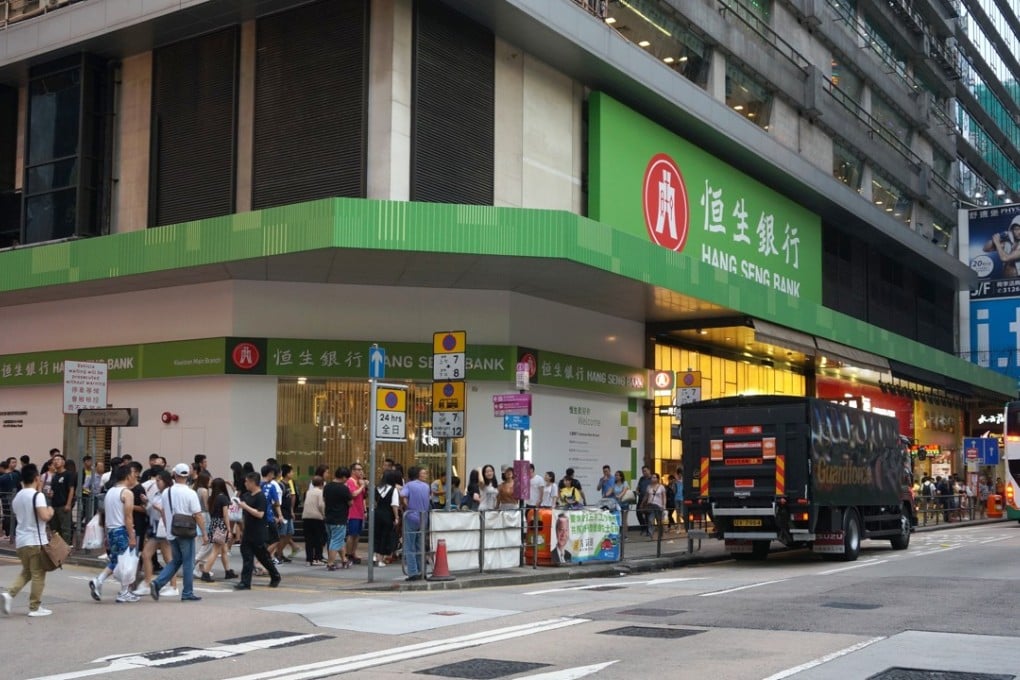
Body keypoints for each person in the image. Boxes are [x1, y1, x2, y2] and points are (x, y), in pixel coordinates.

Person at [2, 464, 54, 617]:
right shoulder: (38, 496)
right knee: (38, 573)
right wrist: (50, 511)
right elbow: (44, 516)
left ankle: (9, 594)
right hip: (35, 540)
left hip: (21, 541)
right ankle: (35, 607)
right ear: (37, 478)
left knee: (27, 572)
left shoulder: (18, 497)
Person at [150, 463, 207, 602]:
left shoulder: (167, 492)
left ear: (175, 475)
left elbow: (164, 512)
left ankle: (157, 583)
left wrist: (168, 528)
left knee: (176, 560)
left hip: (172, 531)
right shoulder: (191, 493)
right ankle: (187, 592)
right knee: (188, 562)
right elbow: (198, 515)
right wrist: (204, 533)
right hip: (186, 532)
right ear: (188, 475)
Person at [89, 463, 140, 603]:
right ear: (128, 476)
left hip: (111, 530)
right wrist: (132, 536)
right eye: (133, 474)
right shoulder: (127, 493)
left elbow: (105, 513)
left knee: (117, 560)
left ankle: (98, 580)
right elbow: (128, 516)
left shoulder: (110, 492)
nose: (135, 477)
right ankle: (124, 592)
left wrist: (106, 533)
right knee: (127, 563)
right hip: (122, 530)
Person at [132, 470, 178, 598]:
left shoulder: (169, 493)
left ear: (165, 480)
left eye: (159, 480)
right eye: (156, 480)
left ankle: (173, 585)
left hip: (163, 528)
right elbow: (151, 510)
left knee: (167, 558)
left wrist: (152, 504)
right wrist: (148, 502)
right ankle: (148, 583)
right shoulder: (158, 493)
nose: (157, 483)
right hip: (155, 528)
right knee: (147, 555)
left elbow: (165, 510)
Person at [233, 471, 281, 590]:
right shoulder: (247, 495)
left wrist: (246, 507)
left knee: (263, 557)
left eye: (247, 482)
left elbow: (260, 514)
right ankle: (245, 582)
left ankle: (275, 575)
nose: (245, 483)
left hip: (258, 532)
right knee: (247, 557)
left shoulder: (261, 497)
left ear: (253, 482)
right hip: (248, 531)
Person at [200, 477, 236, 581]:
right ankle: (205, 572)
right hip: (221, 525)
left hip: (214, 523)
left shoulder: (211, 498)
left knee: (224, 549)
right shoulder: (223, 498)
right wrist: (229, 529)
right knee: (216, 550)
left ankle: (228, 571)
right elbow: (225, 515)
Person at [400, 466, 431, 582]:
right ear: (418, 474)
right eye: (423, 473)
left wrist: (406, 506)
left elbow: (403, 495)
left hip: (411, 517)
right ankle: (422, 571)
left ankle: (413, 572)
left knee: (410, 546)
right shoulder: (426, 486)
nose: (425, 475)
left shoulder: (408, 485)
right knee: (420, 546)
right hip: (424, 518)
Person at [323, 467, 353, 571]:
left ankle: (344, 560)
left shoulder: (327, 486)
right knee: (336, 541)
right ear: (344, 477)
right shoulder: (344, 488)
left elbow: (324, 499)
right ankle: (330, 563)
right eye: (347, 478)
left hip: (328, 517)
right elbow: (350, 503)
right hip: (339, 518)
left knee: (338, 540)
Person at [374, 469, 401, 566]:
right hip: (388, 515)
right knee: (385, 536)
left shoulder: (377, 488)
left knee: (377, 535)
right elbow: (394, 505)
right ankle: (380, 559)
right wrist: (396, 517)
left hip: (377, 514)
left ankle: (375, 556)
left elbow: (375, 502)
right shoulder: (393, 490)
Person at [47, 453, 76, 546]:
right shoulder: (54, 476)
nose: (56, 462)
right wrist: (50, 493)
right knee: (55, 528)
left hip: (63, 505)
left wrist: (68, 504)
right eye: (54, 460)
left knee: (65, 529)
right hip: (54, 505)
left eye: (58, 460)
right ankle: (58, 548)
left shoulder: (68, 474)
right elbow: (53, 489)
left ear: (63, 462)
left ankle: (66, 548)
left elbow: (71, 489)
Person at [274, 464, 298, 562]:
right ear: (287, 473)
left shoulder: (289, 484)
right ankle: (278, 554)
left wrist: (292, 510)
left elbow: (291, 498)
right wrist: (278, 514)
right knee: (282, 535)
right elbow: (276, 501)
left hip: (288, 512)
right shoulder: (280, 485)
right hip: (282, 513)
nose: (293, 473)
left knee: (290, 533)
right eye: (291, 472)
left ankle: (279, 553)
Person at [346, 462, 368, 565]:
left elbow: (363, 498)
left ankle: (353, 553)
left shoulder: (359, 482)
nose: (361, 472)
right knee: (351, 534)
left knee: (357, 535)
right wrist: (362, 486)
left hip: (360, 512)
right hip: (352, 512)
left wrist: (365, 510)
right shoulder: (350, 481)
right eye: (358, 470)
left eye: (361, 469)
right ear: (353, 471)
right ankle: (348, 554)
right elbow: (353, 494)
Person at [302, 475, 326, 566]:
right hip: (317, 517)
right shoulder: (320, 492)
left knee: (308, 540)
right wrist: (324, 514)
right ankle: (317, 558)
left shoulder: (308, 492)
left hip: (306, 517)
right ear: (322, 484)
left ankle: (309, 560)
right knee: (318, 539)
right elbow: (321, 505)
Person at [643, 473, 666, 538]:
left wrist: (664, 505)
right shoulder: (648, 487)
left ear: (657, 479)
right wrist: (642, 503)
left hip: (659, 506)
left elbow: (664, 497)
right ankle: (651, 534)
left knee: (659, 521)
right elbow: (646, 496)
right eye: (652, 477)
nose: (652, 479)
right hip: (650, 505)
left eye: (654, 477)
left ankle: (660, 534)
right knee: (650, 520)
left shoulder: (661, 487)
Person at [636, 466, 652, 536]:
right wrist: (637, 491)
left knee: (647, 515)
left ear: (649, 470)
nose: (644, 472)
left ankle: (648, 530)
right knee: (638, 513)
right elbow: (638, 487)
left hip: (648, 499)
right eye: (643, 471)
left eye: (645, 471)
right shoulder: (641, 479)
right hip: (641, 498)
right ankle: (643, 528)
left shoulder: (652, 478)